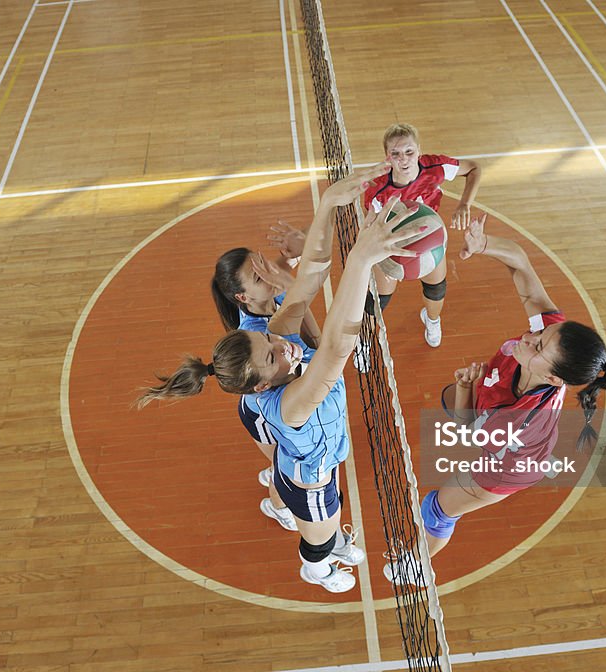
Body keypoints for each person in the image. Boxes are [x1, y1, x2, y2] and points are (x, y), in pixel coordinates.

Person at [138, 165, 426, 592]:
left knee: (321, 508)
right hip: (310, 478)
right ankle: (317, 566)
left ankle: (323, 536)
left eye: (271, 339)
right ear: (262, 384)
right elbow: (333, 350)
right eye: (272, 354)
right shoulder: (290, 403)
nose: (283, 344)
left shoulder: (274, 338)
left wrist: (328, 204)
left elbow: (308, 281)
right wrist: (362, 261)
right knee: (321, 531)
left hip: (309, 461)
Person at [384, 215, 606, 586]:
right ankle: (541, 455)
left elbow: (463, 428)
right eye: (543, 332)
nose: (530, 336)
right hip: (509, 434)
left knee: (436, 510)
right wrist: (484, 245)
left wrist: (465, 387)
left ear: (553, 378)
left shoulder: (516, 416)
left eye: (539, 345)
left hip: (505, 470)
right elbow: (522, 266)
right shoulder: (548, 344)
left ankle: (414, 570)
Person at [210, 234, 319, 532]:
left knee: (284, 460)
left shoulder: (270, 290)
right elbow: (316, 350)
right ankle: (277, 506)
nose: (267, 272)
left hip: (280, 398)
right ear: (243, 298)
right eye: (257, 276)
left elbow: (282, 271)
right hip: (261, 413)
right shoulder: (263, 332)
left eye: (262, 262)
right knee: (283, 469)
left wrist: (297, 254)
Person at [362, 122, 483, 348]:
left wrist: (465, 204)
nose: (404, 159)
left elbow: (474, 168)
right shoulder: (377, 189)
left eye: (409, 152)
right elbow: (371, 227)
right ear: (387, 156)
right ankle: (365, 339)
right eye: (396, 154)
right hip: (392, 244)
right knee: (377, 299)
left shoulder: (434, 167)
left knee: (436, 288)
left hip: (429, 241)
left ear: (419, 150)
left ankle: (432, 319)